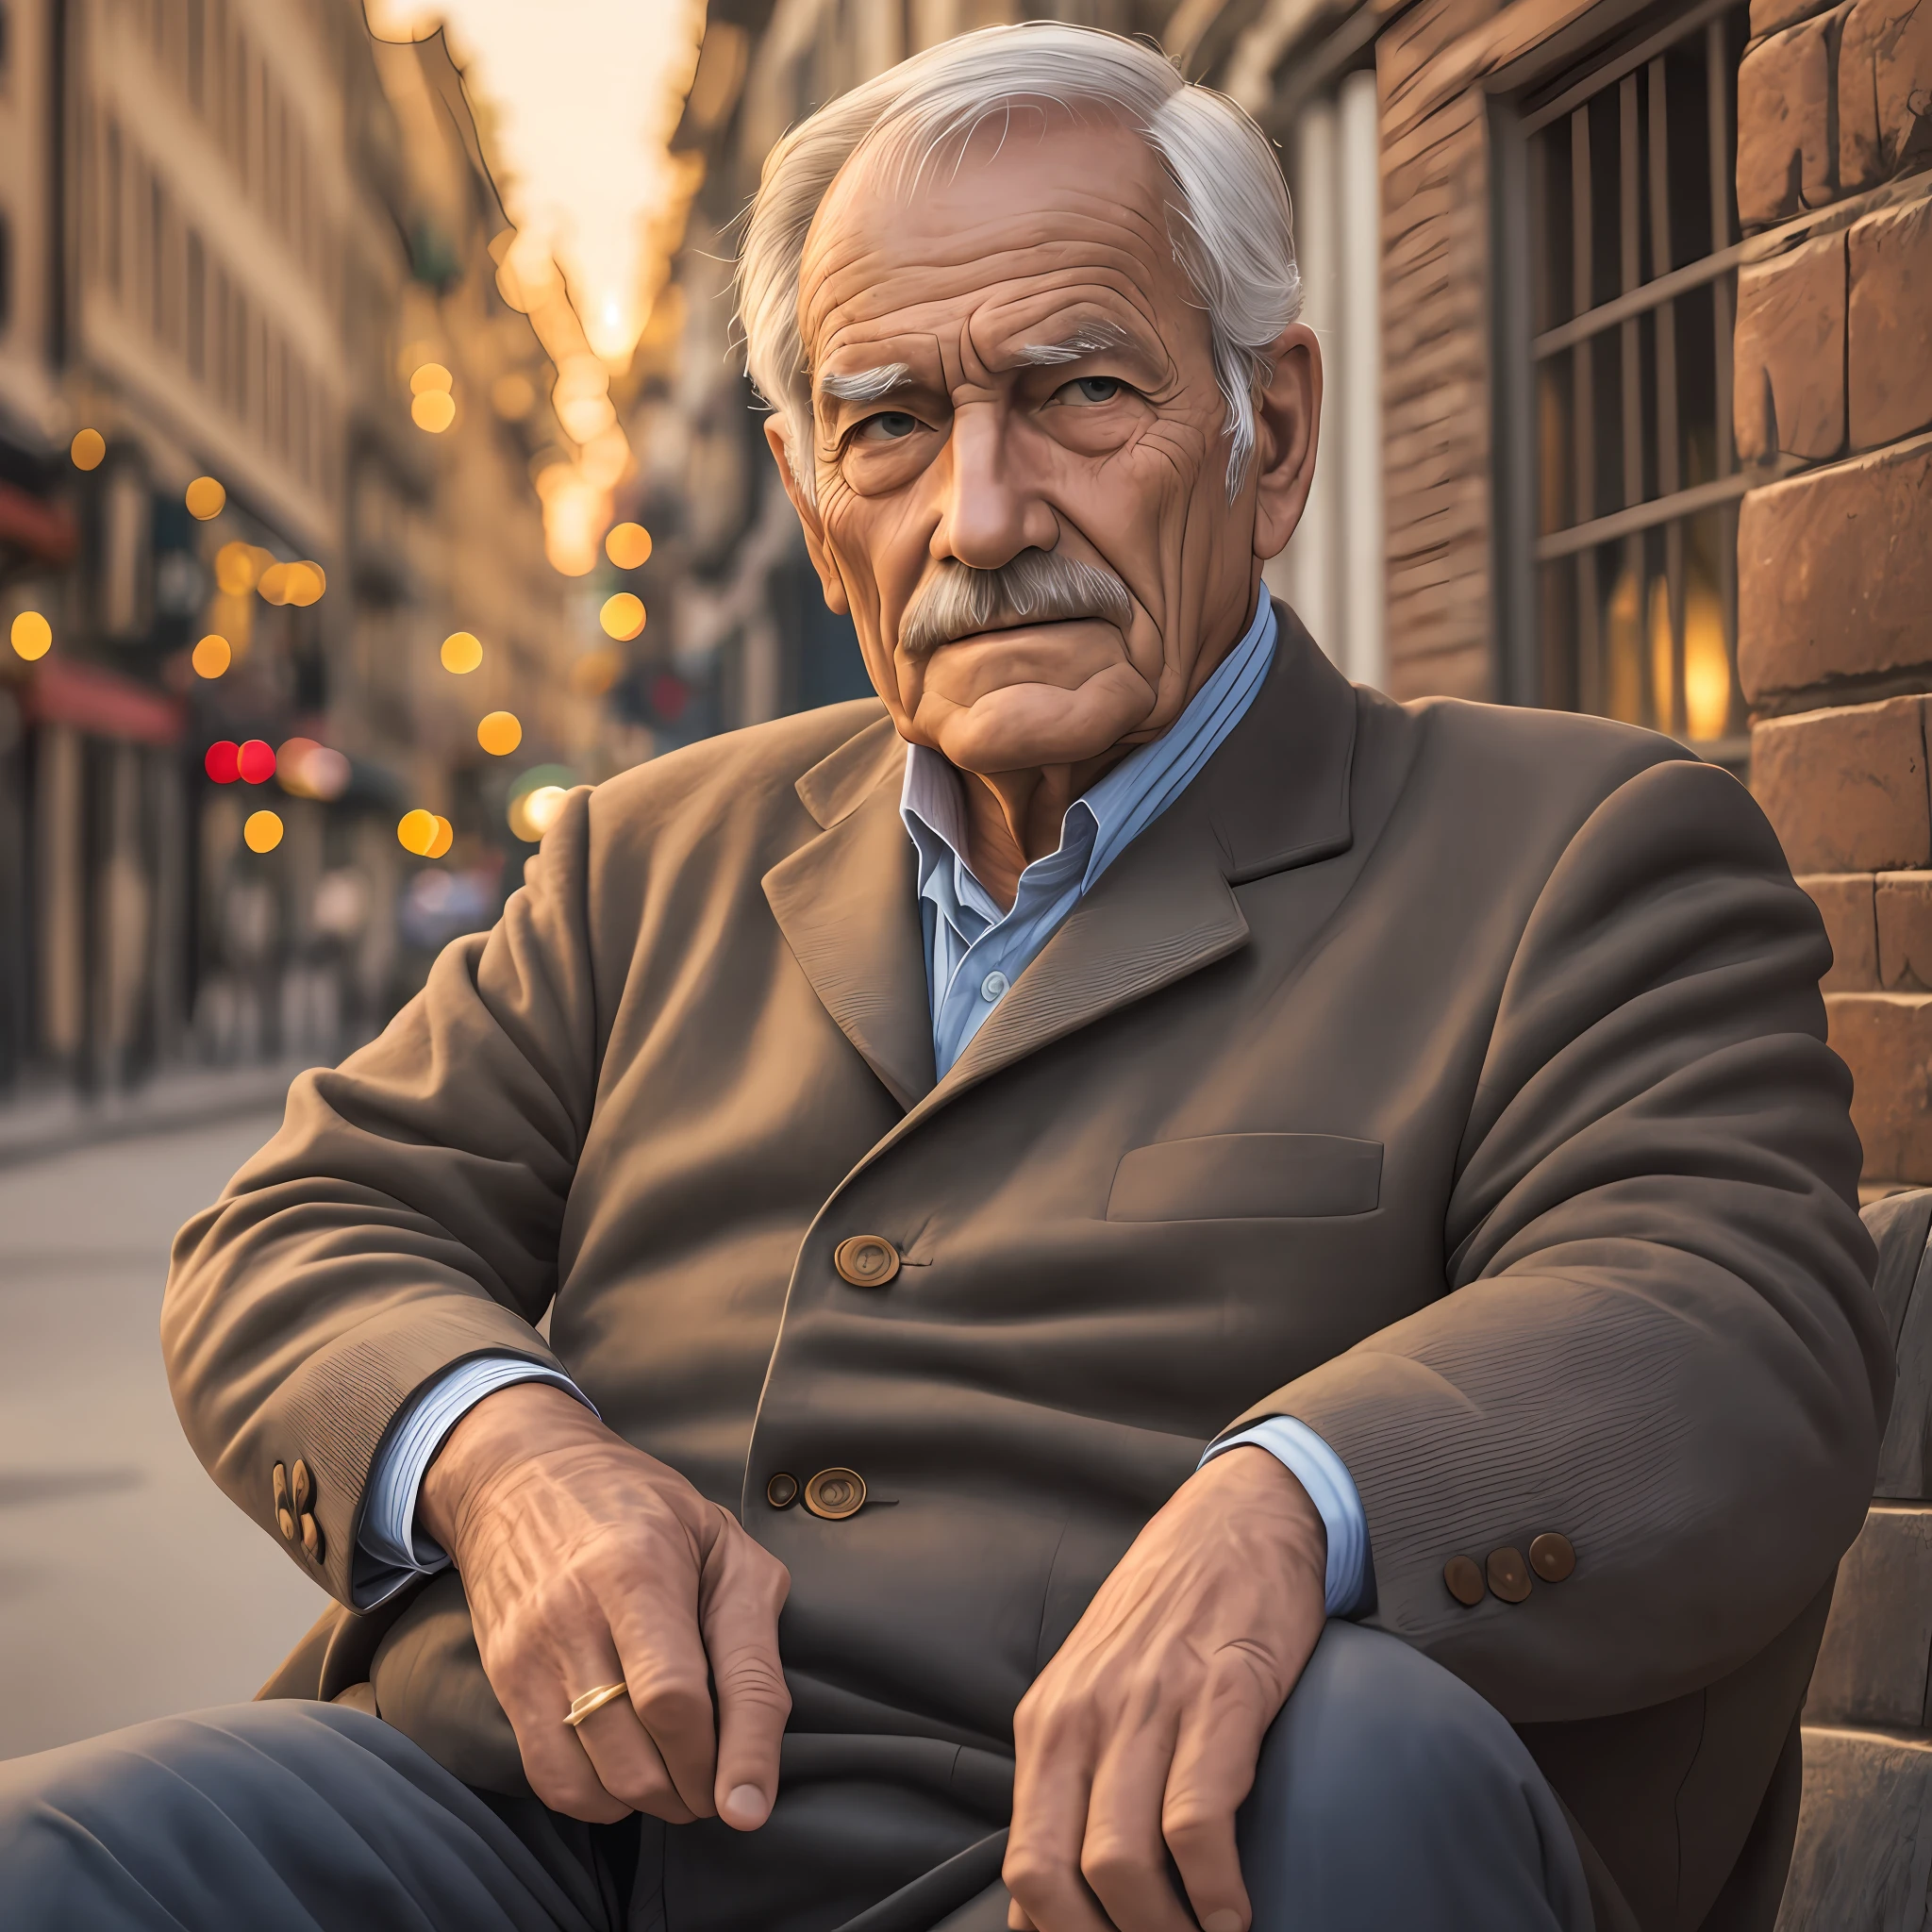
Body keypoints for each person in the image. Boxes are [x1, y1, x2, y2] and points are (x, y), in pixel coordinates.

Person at [0, 24, 1886, 1932]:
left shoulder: (1574, 845)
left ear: (1272, 433)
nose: (977, 517)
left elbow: (1720, 1313)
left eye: (1077, 392)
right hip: (536, 1839)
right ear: (812, 503)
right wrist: (504, 1457)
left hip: (1137, 1868)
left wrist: (1283, 1508)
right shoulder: (645, 855)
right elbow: (302, 1225)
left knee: (1355, 1767)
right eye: (888, 422)